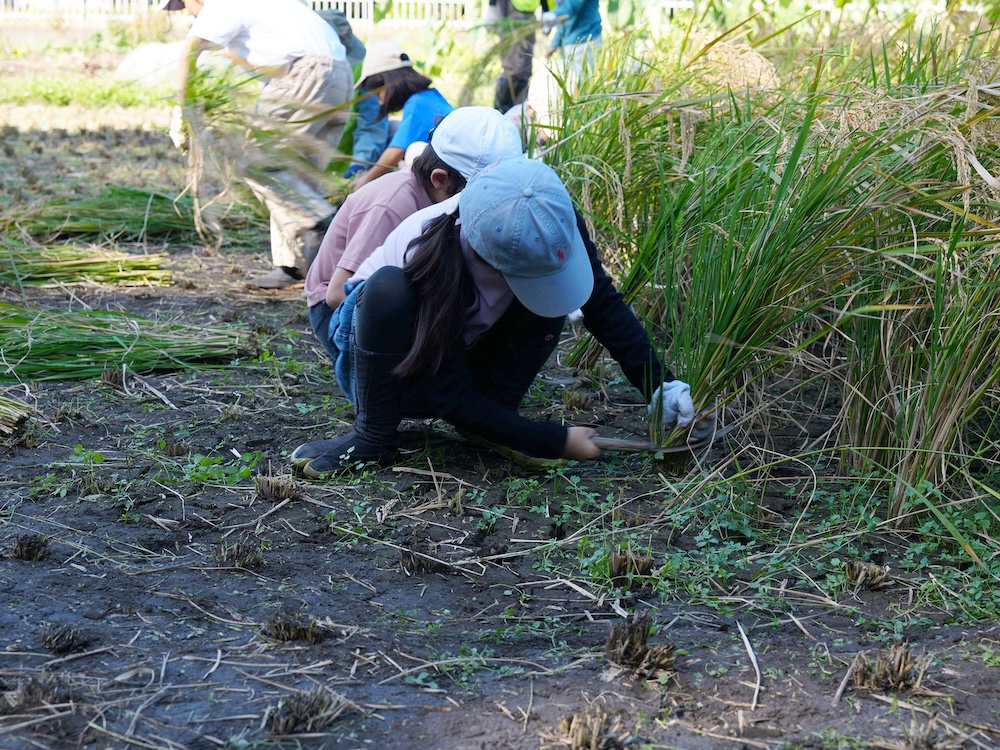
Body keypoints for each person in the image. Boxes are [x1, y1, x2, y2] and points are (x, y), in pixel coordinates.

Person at [290, 158, 710, 478]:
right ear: (491, 260)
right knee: (386, 287)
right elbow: (446, 392)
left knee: (550, 298)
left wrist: (659, 383)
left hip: (463, 347)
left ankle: (492, 417)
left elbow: (599, 301)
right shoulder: (435, 256)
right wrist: (551, 439)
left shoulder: (547, 214)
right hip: (387, 364)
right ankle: (373, 435)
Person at [305, 106, 524, 393]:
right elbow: (339, 295)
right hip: (342, 314)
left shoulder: (439, 199)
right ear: (440, 179)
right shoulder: (393, 206)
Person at [163, 0, 353, 290]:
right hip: (338, 74)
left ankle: (320, 218)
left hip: (305, 73)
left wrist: (182, 108)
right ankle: (297, 266)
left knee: (259, 165)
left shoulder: (220, 5)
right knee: (297, 173)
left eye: (181, 5)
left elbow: (189, 53)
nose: (183, 12)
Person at [348, 43, 454, 190]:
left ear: (388, 82)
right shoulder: (429, 97)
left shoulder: (416, 103)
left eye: (379, 93)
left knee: (413, 152)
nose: (380, 101)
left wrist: (365, 181)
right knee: (392, 127)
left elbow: (395, 151)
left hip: (451, 176)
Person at [485, 0, 547, 113]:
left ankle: (517, 115)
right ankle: (499, 112)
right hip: (509, 7)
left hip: (529, 9)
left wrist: (546, 10)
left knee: (526, 70)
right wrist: (492, 5)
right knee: (512, 68)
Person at [542, 0, 601, 82]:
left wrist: (555, 14)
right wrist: (554, 43)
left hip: (586, 41)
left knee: (584, 81)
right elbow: (562, 18)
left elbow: (572, 5)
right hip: (568, 43)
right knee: (571, 82)